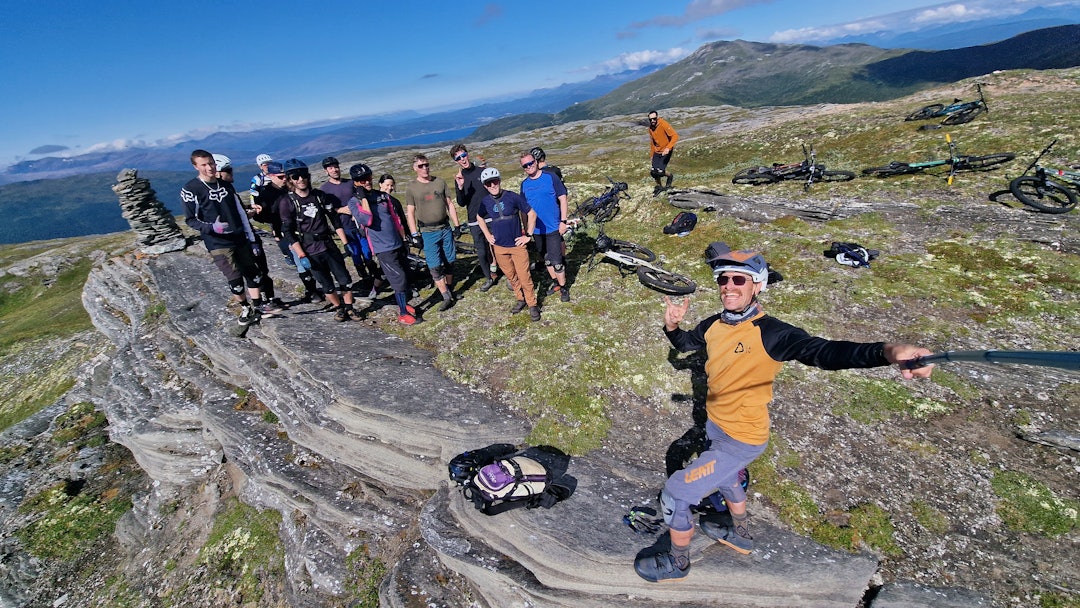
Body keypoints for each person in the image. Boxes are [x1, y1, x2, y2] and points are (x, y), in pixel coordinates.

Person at [633, 242, 935, 583]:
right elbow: (688, 345)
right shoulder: (714, 324)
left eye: (739, 280)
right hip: (718, 427)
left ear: (758, 285)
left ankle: (678, 562)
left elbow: (824, 352)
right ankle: (741, 534)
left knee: (676, 493)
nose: (729, 287)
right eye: (723, 280)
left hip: (743, 438)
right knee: (728, 478)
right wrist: (673, 327)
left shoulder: (773, 333)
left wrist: (889, 352)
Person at [180, 149, 264, 326]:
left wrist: (251, 236)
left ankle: (257, 306)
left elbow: (240, 211)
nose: (209, 167)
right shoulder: (191, 189)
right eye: (204, 165)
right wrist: (211, 228)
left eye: (211, 163)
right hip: (217, 242)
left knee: (252, 273)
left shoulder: (225, 185)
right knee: (234, 277)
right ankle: (244, 307)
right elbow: (190, 220)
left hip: (239, 236)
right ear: (195, 166)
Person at [278, 159, 360, 322]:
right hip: (309, 249)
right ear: (289, 180)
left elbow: (334, 220)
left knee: (345, 279)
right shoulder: (287, 202)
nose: (300, 179)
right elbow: (287, 231)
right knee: (327, 285)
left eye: (303, 175)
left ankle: (350, 308)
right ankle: (339, 308)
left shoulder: (320, 196)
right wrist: (301, 255)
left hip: (328, 245)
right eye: (295, 176)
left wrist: (345, 243)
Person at [213, 153, 289, 316]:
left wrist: (249, 210)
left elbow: (236, 212)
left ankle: (268, 299)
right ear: (218, 173)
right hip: (240, 239)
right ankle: (259, 304)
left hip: (248, 236)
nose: (232, 173)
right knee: (252, 271)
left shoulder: (228, 189)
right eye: (228, 170)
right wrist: (250, 213)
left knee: (261, 268)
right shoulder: (220, 193)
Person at [347, 164, 417, 325]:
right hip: (383, 248)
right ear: (355, 182)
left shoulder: (382, 197)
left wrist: (404, 239)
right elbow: (367, 220)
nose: (366, 182)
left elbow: (396, 219)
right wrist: (363, 197)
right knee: (398, 279)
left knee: (405, 275)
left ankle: (403, 303)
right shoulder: (354, 201)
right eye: (361, 180)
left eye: (368, 177)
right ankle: (403, 313)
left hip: (398, 242)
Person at [254, 161, 324, 303]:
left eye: (285, 176)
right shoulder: (265, 194)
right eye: (280, 177)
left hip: (304, 229)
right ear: (271, 176)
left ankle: (317, 287)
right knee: (301, 260)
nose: (284, 179)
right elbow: (260, 216)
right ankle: (311, 290)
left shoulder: (291, 188)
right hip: (285, 231)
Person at [476, 168, 540, 321]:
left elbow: (532, 213)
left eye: (495, 181)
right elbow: (479, 217)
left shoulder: (512, 197)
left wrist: (528, 235)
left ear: (499, 180)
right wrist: (487, 235)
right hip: (499, 248)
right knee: (511, 276)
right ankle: (520, 299)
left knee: (524, 277)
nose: (493, 185)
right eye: (488, 183)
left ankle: (532, 305)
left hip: (517, 246)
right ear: (485, 185)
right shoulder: (485, 202)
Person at [405, 153, 461, 312]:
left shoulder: (439, 182)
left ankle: (449, 290)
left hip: (444, 228)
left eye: (427, 165)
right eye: (421, 166)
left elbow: (449, 204)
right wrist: (415, 234)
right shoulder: (411, 187)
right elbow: (411, 212)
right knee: (434, 265)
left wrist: (456, 225)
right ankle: (445, 296)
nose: (425, 168)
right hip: (427, 231)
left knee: (450, 260)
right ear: (415, 168)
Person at [321, 156, 379, 293]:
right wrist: (340, 210)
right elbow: (326, 209)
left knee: (367, 252)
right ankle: (364, 278)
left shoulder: (350, 183)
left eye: (336, 167)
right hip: (344, 226)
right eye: (331, 168)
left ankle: (374, 277)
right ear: (326, 171)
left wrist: (357, 211)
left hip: (359, 225)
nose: (334, 170)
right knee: (355, 253)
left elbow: (361, 198)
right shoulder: (324, 190)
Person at [518, 150, 570, 302]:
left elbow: (563, 198)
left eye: (530, 163)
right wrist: (527, 229)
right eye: (525, 166)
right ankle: (556, 283)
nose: (528, 167)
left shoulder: (550, 177)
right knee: (546, 259)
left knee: (557, 261)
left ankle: (564, 288)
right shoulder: (524, 185)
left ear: (536, 162)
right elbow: (524, 209)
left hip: (553, 227)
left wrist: (564, 221)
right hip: (536, 230)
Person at [451, 143, 499, 292]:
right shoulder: (460, 178)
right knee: (481, 250)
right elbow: (461, 202)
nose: (462, 159)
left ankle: (508, 274)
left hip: (491, 216)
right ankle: (488, 278)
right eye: (458, 157)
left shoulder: (481, 171)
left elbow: (494, 190)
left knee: (498, 247)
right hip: (474, 220)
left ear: (467, 154)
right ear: (456, 161)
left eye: (463, 155)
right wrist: (460, 187)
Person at [647, 110, 679, 196]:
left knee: (660, 172)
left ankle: (670, 176)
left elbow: (675, 136)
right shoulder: (650, 128)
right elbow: (652, 142)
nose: (652, 121)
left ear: (657, 117)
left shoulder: (663, 124)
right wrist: (652, 154)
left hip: (666, 151)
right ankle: (659, 187)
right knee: (653, 172)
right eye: (650, 119)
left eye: (654, 119)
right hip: (657, 151)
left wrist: (668, 148)